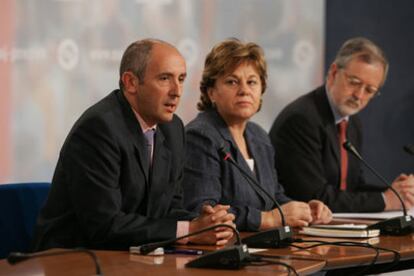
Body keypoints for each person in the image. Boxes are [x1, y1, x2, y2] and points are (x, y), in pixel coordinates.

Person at [32, 39, 235, 251]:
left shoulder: (172, 129)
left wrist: (205, 223)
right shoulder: (98, 129)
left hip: (131, 255)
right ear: (130, 82)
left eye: (181, 79)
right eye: (165, 78)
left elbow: (169, 209)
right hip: (72, 258)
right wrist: (189, 230)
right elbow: (105, 226)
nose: (177, 91)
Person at [183, 39, 332, 232]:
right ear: (211, 92)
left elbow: (273, 197)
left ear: (261, 89)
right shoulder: (201, 136)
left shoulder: (258, 136)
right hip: (221, 252)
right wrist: (268, 219)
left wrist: (305, 210)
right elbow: (204, 214)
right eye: (232, 82)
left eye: (252, 82)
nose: (244, 90)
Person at [269, 37, 414, 212]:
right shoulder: (301, 120)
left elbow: (352, 188)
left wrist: (396, 194)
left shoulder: (352, 124)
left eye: (369, 90)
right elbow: (315, 197)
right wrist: (384, 200)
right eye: (354, 83)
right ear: (333, 73)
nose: (359, 95)